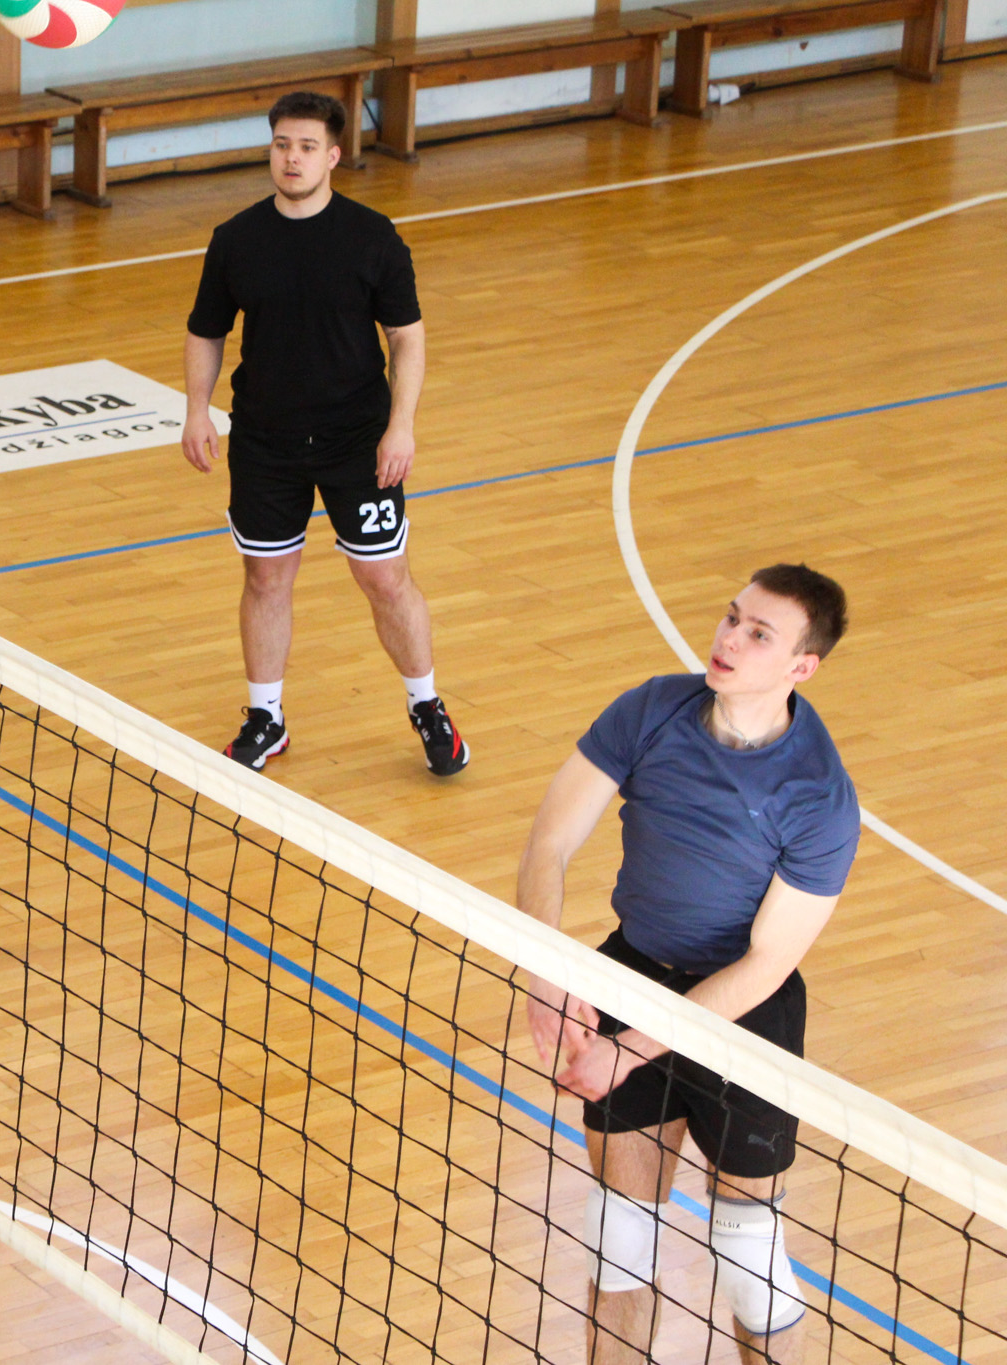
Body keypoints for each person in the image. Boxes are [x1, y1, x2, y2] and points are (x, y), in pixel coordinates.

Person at [516, 565, 859, 1364]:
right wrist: (546, 971)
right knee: (618, 1242)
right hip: (632, 970)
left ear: (803, 666)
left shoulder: (818, 794)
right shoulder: (653, 710)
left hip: (743, 1016)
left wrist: (627, 1049)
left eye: (758, 633)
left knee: (748, 1257)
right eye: (732, 617)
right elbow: (549, 841)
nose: (728, 639)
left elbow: (765, 964)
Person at [182, 90, 465, 776]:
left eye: (307, 147)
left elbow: (407, 337)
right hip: (266, 440)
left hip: (357, 441)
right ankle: (266, 717)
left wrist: (401, 427)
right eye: (282, 144)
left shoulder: (372, 237)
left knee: (385, 577)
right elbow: (206, 330)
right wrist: (196, 409)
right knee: (265, 576)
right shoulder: (236, 239)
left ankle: (427, 706)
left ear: (333, 156)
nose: (292, 158)